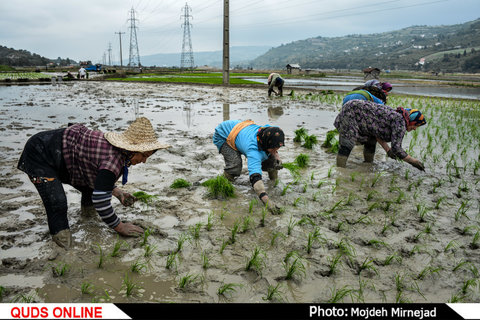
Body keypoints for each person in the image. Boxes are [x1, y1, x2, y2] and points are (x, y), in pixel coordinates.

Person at [17, 117, 170, 250]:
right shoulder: (112, 161)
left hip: (68, 156)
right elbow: (101, 201)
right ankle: (62, 243)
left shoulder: (120, 154)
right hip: (39, 153)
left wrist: (117, 192)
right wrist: (120, 226)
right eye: (144, 156)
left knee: (89, 188)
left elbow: (99, 178)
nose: (143, 161)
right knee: (57, 202)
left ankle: (88, 218)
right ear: (131, 150)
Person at [213, 120, 285, 213]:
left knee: (272, 161)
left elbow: (273, 145)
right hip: (224, 134)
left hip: (241, 128)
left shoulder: (268, 132)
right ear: (267, 143)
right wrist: (266, 200)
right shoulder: (253, 150)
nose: (275, 150)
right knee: (235, 165)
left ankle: (274, 180)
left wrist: (276, 156)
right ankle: (225, 183)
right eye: (273, 148)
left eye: (277, 147)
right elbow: (255, 177)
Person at [334, 100, 426, 170]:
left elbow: (377, 133)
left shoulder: (398, 116)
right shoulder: (400, 122)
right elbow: (397, 149)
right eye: (416, 125)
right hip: (352, 111)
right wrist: (413, 161)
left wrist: (387, 150)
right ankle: (340, 170)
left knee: (370, 140)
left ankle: (367, 165)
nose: (414, 129)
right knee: (347, 143)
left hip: (353, 108)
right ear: (412, 120)